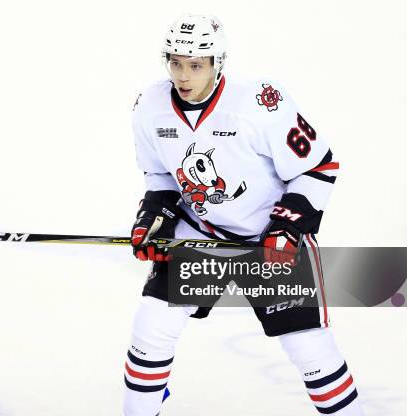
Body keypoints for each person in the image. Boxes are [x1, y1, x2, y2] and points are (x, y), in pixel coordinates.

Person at [124, 14, 363, 415]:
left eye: (196, 64)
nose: (183, 74)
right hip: (201, 235)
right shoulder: (149, 106)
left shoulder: (259, 102)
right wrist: (154, 216)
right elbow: (160, 174)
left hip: (268, 241)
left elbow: (319, 168)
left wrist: (287, 226)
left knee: (309, 348)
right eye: (175, 62)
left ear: (219, 62)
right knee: (151, 326)